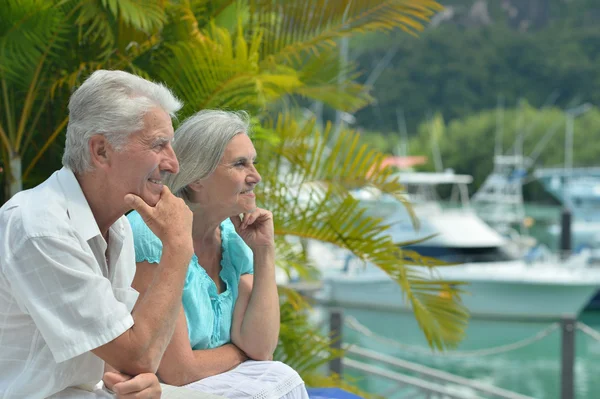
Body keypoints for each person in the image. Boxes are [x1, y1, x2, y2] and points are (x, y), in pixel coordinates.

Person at [0, 70, 195, 398]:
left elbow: (121, 358)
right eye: (159, 144)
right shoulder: (40, 228)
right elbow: (140, 354)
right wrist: (178, 245)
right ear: (101, 151)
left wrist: (133, 383)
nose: (173, 164)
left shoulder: (117, 227)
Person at [127, 110, 309, 399]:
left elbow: (260, 347)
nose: (256, 177)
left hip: (213, 387)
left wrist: (264, 252)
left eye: (253, 162)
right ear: (197, 179)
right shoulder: (150, 235)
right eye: (240, 164)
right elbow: (178, 371)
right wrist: (240, 353)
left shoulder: (233, 238)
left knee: (285, 377)